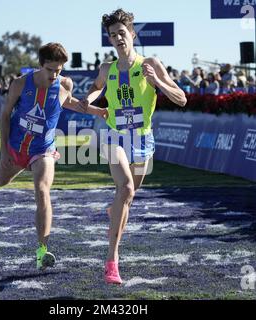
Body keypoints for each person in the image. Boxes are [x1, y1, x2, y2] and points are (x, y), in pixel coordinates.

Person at [80, 8, 187, 285]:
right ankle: (112, 262)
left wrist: (158, 81)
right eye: (112, 35)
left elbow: (182, 99)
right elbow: (95, 87)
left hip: (143, 140)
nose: (118, 38)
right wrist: (89, 99)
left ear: (133, 35)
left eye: (122, 33)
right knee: (126, 188)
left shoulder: (150, 63)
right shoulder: (107, 68)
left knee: (127, 197)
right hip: (115, 136)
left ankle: (114, 211)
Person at [0, 42, 107, 271]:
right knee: (1, 181)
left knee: (42, 190)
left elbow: (70, 103)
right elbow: (5, 116)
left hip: (43, 149)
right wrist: (4, 151)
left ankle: (41, 250)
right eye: (50, 70)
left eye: (59, 69)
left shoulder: (65, 83)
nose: (55, 74)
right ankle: (19, 166)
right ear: (40, 65)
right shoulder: (20, 84)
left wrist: (99, 111)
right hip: (17, 147)